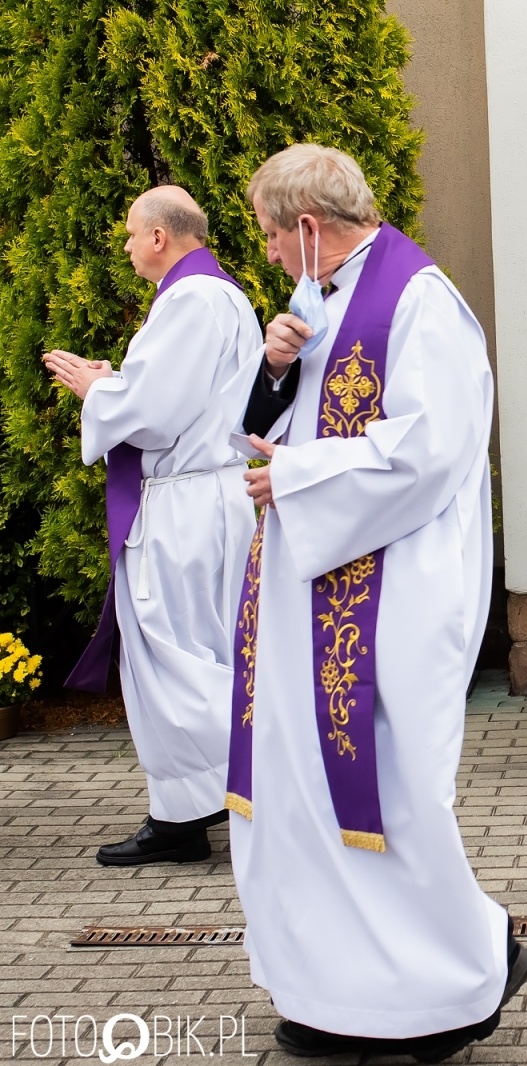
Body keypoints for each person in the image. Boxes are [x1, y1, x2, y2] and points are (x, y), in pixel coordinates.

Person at [227, 143, 527, 1060]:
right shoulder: (323, 298)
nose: (269, 253)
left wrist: (298, 475)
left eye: (271, 236)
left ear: (307, 225)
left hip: (387, 590)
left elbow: (430, 449)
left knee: (387, 790)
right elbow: (275, 423)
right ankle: (339, 993)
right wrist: (275, 369)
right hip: (305, 588)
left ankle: (461, 980)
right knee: (299, 789)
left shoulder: (418, 301)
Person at [45, 187, 260, 867]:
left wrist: (98, 391)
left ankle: (276, 772)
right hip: (210, 493)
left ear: (161, 236)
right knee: (202, 649)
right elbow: (174, 395)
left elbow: (155, 414)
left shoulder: (191, 300)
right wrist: (118, 383)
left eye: (132, 234)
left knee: (170, 654)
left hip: (183, 504)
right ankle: (181, 815)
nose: (128, 245)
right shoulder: (219, 296)